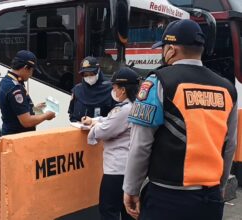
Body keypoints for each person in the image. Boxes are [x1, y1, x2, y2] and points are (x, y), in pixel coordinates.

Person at [123, 19, 238, 220]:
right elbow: (230, 145)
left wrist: (131, 188)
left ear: (172, 50)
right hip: (209, 199)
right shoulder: (227, 88)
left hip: (166, 198)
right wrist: (219, 187)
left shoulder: (158, 82)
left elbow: (140, 144)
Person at [82, 67, 140, 220]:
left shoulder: (124, 110)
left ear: (123, 90)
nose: (113, 90)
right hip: (131, 167)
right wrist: (95, 120)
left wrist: (93, 127)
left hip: (116, 169)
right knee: (128, 210)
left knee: (108, 210)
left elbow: (104, 130)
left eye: (114, 87)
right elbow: (110, 120)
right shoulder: (136, 106)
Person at [0, 50, 56, 135]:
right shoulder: (15, 89)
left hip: (10, 135)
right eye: (31, 71)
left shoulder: (5, 81)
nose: (31, 75)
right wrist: (46, 115)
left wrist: (35, 109)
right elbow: (26, 122)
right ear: (25, 68)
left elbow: (14, 111)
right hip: (17, 139)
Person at [68, 56, 115, 122]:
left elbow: (115, 118)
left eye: (91, 74)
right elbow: (72, 114)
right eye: (85, 75)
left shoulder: (110, 90)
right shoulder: (77, 90)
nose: (89, 77)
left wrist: (95, 122)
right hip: (79, 129)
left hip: (102, 130)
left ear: (98, 71)